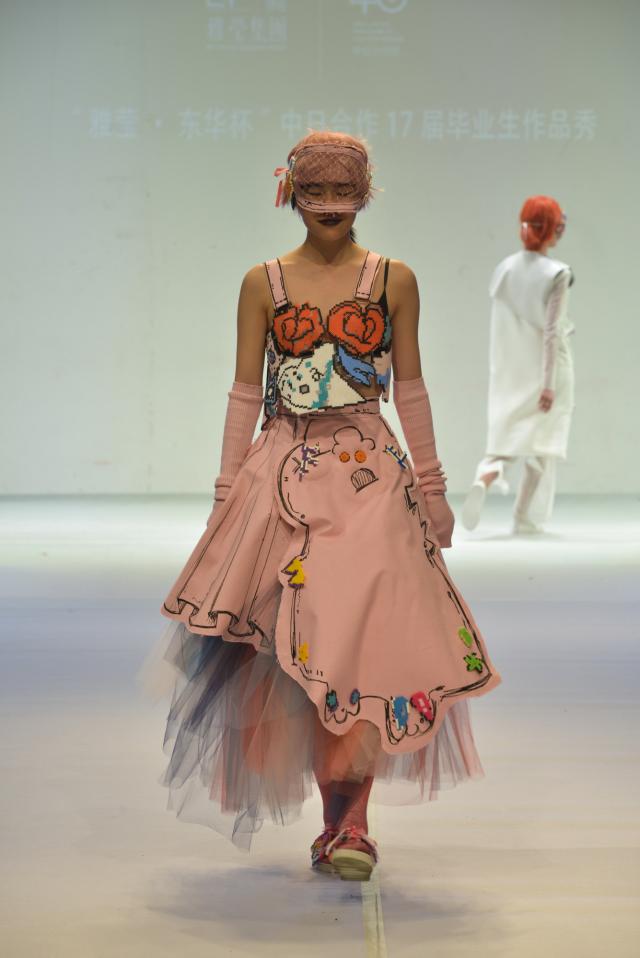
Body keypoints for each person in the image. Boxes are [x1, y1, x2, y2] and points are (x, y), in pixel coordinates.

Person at [153, 131, 501, 882]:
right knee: (294, 650)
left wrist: (434, 488)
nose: (331, 207)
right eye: (316, 194)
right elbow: (245, 392)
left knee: (365, 642)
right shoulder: (263, 283)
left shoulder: (394, 279)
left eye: (345, 194)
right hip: (280, 475)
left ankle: (353, 823)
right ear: (292, 195)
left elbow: (411, 387)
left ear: (365, 195)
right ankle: (336, 821)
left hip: (369, 478)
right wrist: (225, 494)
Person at [462, 196, 575, 534]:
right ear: (554, 228)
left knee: (507, 436)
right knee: (542, 445)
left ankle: (487, 474)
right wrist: (549, 384)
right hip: (547, 370)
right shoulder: (557, 274)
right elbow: (552, 331)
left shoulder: (505, 268)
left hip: (511, 369)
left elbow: (501, 324)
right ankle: (524, 517)